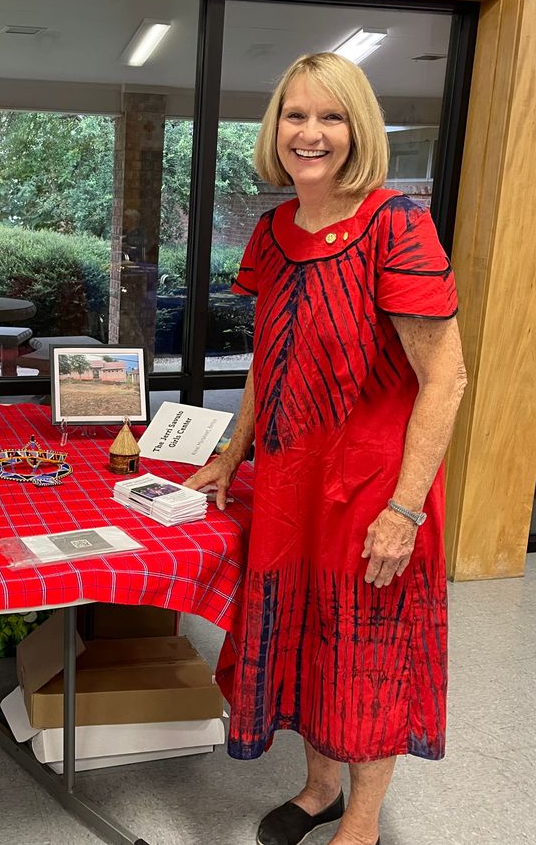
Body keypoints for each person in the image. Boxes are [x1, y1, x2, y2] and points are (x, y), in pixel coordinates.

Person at [184, 53, 467, 845]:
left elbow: (447, 379)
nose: (310, 133)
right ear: (276, 129)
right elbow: (270, 360)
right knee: (306, 634)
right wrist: (234, 452)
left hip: (373, 487)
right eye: (295, 116)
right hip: (288, 480)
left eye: (331, 117)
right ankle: (319, 790)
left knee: (364, 647)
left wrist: (405, 510)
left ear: (359, 129)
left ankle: (363, 826)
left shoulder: (396, 224)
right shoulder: (274, 232)